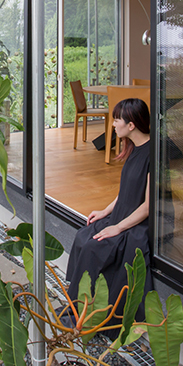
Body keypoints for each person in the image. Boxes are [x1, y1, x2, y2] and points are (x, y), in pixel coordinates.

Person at [65, 98, 154, 335]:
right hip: (122, 213)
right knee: (83, 235)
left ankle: (87, 314)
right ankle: (78, 306)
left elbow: (147, 207)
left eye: (117, 119)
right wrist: (105, 211)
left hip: (136, 222)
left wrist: (118, 228)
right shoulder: (134, 149)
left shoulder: (151, 156)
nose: (113, 124)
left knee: (95, 247)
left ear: (131, 125)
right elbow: (125, 190)